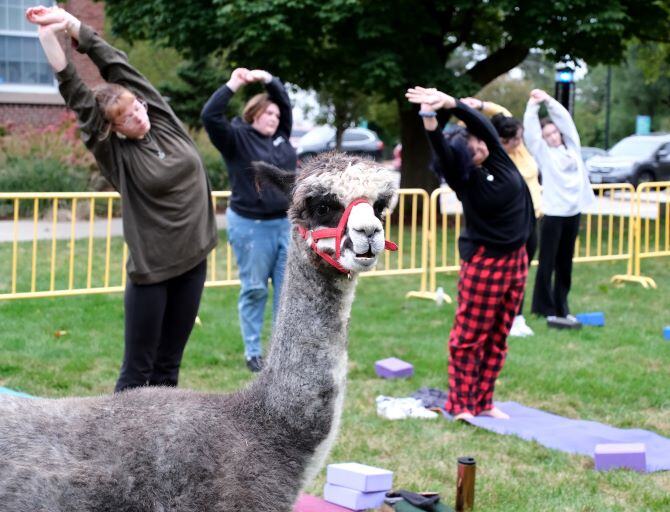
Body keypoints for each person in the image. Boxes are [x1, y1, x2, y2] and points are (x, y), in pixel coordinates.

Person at [27, 6, 218, 392]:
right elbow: (79, 98)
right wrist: (51, 37)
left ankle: (160, 451)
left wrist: (73, 24)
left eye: (137, 107)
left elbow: (118, 66)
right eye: (127, 117)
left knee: (168, 369)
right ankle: (114, 451)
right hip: (153, 273)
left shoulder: (163, 121)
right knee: (137, 374)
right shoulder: (117, 155)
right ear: (113, 129)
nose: (138, 116)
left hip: (194, 262)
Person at [406, 86, 534, 420]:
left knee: (498, 336)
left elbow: (482, 122)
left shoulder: (501, 159)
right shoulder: (465, 181)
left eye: (477, 141)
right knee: (469, 337)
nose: (477, 146)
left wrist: (451, 103)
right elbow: (440, 148)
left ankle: (485, 401)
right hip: (485, 263)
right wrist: (430, 119)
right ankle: (462, 404)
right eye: (470, 148)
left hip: (517, 260)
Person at [201, 68, 296, 372]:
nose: (275, 118)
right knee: (255, 289)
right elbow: (210, 116)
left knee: (286, 292)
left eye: (277, 115)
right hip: (251, 227)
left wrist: (270, 80)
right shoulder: (236, 138)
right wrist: (234, 84)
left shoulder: (281, 138)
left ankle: (282, 351)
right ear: (254, 112)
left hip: (285, 224)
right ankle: (253, 352)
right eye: (269, 113)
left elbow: (286, 104)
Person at [460, 97, 542, 337]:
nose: (518, 142)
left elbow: (504, 112)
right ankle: (498, 315)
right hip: (509, 226)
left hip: (533, 219)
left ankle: (517, 316)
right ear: (500, 141)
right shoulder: (497, 160)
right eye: (513, 139)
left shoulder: (522, 151)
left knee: (523, 270)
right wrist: (463, 111)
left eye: (519, 137)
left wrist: (481, 105)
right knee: (504, 273)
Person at [523, 89, 595, 328]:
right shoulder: (544, 153)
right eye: (548, 134)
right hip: (553, 214)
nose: (553, 136)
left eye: (554, 132)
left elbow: (566, 121)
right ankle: (543, 307)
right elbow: (531, 133)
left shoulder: (572, 148)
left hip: (573, 213)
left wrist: (549, 101)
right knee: (547, 262)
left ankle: (562, 304)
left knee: (565, 262)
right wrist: (533, 106)